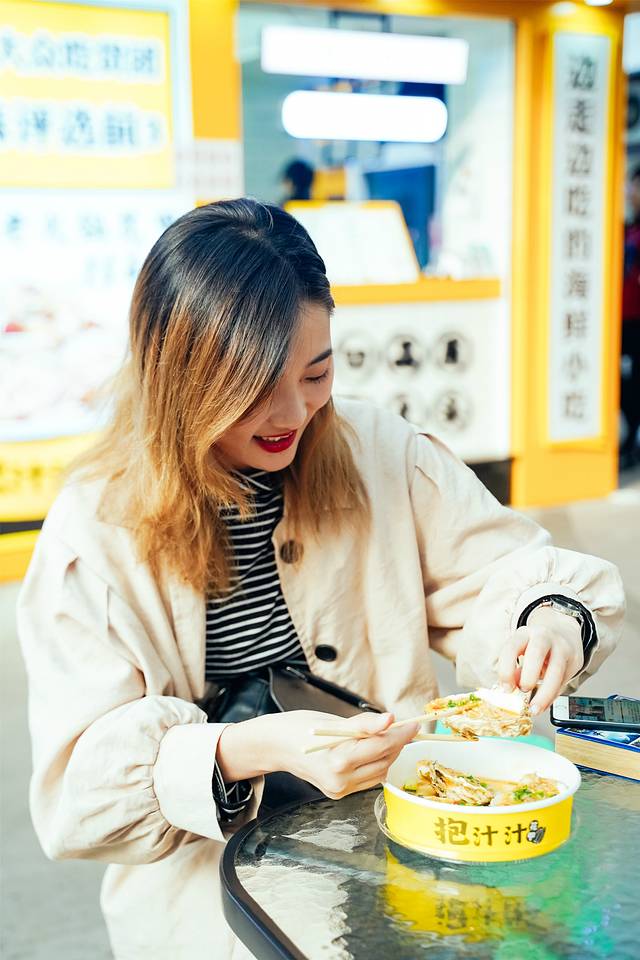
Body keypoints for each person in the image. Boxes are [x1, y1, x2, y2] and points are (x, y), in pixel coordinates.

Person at [19, 199, 624, 960]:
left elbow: (509, 569)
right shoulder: (95, 530)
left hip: (406, 853)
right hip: (208, 903)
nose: (293, 412)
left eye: (317, 372)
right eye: (251, 388)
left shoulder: (381, 453)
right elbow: (77, 798)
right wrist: (243, 750)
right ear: (180, 381)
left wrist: (550, 620)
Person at [621, 164, 640, 468]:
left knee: (634, 385)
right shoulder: (627, 228)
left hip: (637, 321)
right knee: (626, 385)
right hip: (622, 320)